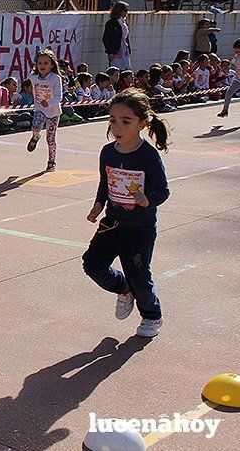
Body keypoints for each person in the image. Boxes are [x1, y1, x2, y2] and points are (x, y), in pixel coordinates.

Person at [83, 88, 170, 338]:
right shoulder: (107, 152)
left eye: (125, 121)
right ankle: (123, 290)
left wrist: (146, 200)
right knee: (92, 264)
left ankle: (152, 315)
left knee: (140, 275)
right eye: (112, 120)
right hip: (112, 222)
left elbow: (163, 191)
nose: (117, 127)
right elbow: (105, 181)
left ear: (142, 123)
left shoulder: (148, 156)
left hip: (139, 228)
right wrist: (99, 204)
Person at [27, 49, 63, 172]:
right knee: (36, 126)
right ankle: (35, 137)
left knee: (50, 139)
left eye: (46, 63)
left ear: (52, 65)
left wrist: (48, 102)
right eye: (40, 63)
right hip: (39, 110)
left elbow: (59, 96)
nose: (42, 65)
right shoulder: (33, 78)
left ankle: (51, 161)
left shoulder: (55, 78)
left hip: (53, 113)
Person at [102, 1, 131, 70]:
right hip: (116, 50)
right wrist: (110, 51)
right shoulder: (112, 23)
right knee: (116, 68)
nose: (126, 13)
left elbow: (126, 37)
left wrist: (129, 49)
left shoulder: (123, 22)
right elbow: (106, 38)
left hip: (124, 48)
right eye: (125, 10)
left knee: (126, 68)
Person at [217, 38, 240, 117]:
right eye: (236, 52)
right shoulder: (236, 56)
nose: (237, 53)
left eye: (239, 51)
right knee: (229, 92)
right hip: (238, 79)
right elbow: (233, 62)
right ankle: (225, 111)